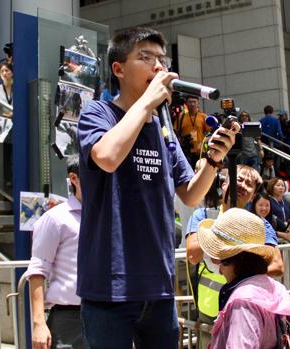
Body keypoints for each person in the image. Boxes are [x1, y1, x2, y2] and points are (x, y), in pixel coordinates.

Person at [76, 26, 238, 348]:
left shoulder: (163, 127)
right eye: (145, 57)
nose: (159, 67)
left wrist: (213, 159)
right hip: (111, 287)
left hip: (159, 287)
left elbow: (191, 193)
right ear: (118, 69)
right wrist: (148, 102)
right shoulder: (98, 113)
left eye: (161, 59)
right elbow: (107, 157)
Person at [185, 164, 284, 349]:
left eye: (249, 183)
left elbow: (277, 265)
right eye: (239, 179)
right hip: (209, 310)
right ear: (224, 184)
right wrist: (224, 230)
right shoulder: (203, 215)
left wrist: (239, 269)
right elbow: (193, 255)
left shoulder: (259, 225)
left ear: (254, 194)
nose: (243, 185)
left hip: (247, 309)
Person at [197, 208, 290, 349]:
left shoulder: (243, 303)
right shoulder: (273, 287)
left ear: (232, 259)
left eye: (221, 260)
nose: (220, 271)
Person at [24, 156, 87, 349]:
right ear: (74, 179)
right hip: (68, 319)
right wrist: (39, 323)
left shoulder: (108, 216)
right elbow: (37, 270)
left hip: (106, 313)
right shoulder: (55, 219)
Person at [173, 95, 211, 167]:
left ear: (198, 103)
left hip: (200, 152)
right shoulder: (181, 116)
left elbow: (210, 133)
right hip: (186, 152)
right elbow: (175, 132)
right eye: (190, 102)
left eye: (194, 102)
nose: (192, 104)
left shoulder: (203, 117)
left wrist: (203, 144)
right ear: (186, 103)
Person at [267, 177, 290, 243]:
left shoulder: (287, 203)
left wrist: (289, 229)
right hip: (273, 234)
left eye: (283, 186)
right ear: (272, 187)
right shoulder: (268, 201)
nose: (281, 188)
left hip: (286, 234)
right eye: (278, 185)